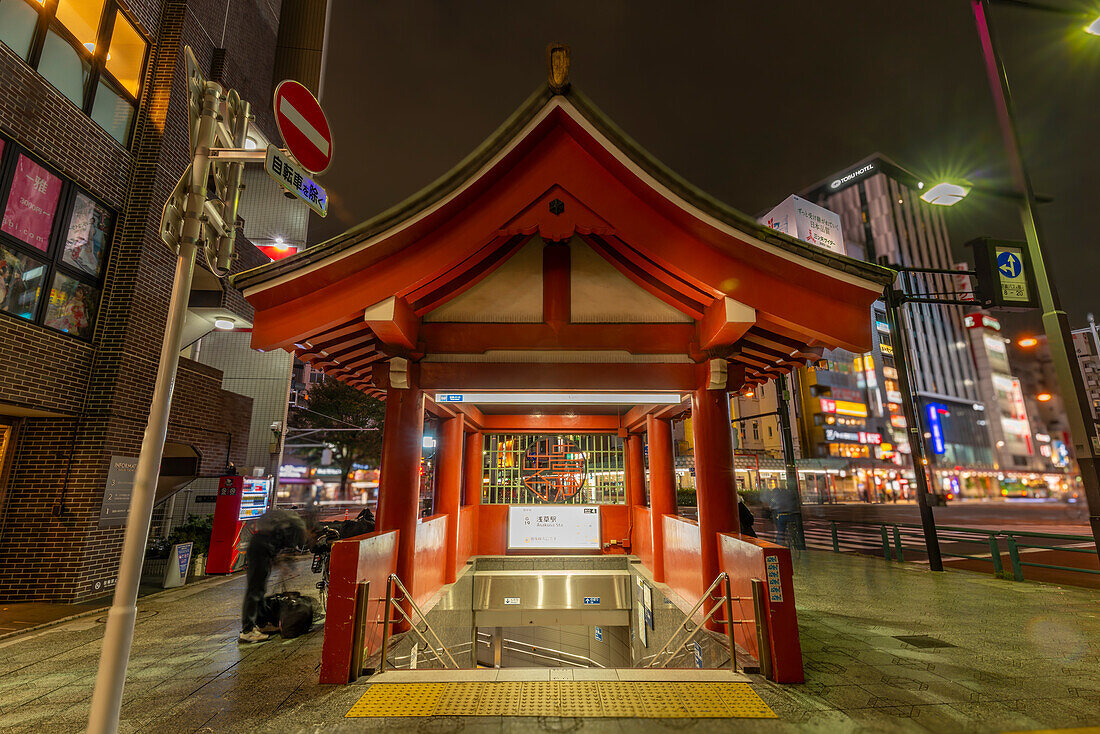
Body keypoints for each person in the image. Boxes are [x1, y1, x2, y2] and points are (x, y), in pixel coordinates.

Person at [239, 509, 307, 643]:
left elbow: (277, 543)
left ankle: (263, 624)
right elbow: (283, 548)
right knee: (255, 591)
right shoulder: (298, 530)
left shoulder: (295, 526)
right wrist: (284, 563)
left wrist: (280, 562)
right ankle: (247, 631)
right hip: (260, 550)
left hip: (261, 547)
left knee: (260, 589)